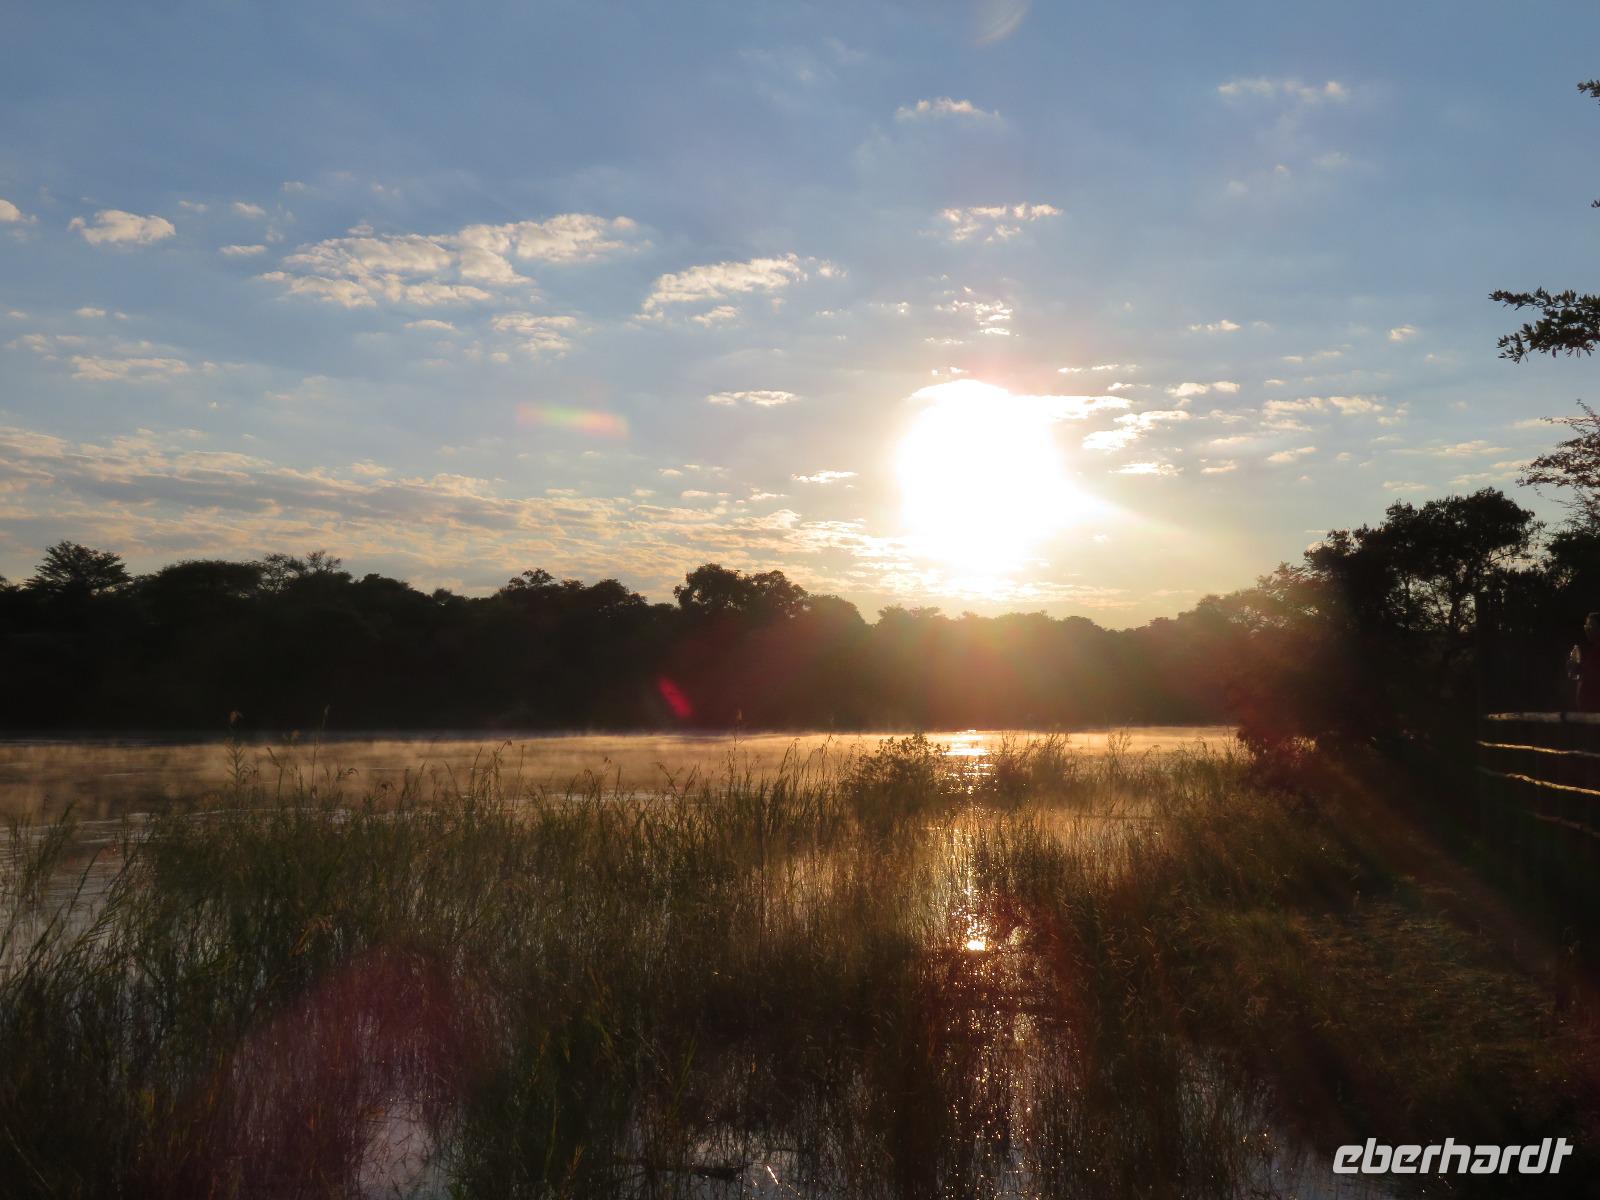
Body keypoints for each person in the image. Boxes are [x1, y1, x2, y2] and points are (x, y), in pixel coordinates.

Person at [1567, 612, 1600, 711]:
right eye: (1586, 626)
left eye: (1591, 626)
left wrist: (1581, 670)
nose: (1587, 630)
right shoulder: (1593, 650)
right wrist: (1575, 669)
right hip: (1587, 714)